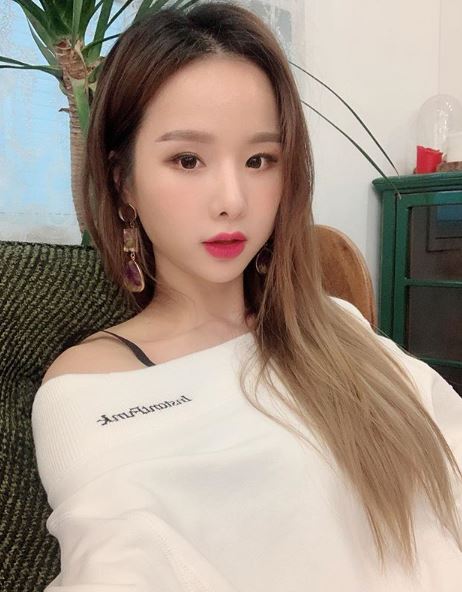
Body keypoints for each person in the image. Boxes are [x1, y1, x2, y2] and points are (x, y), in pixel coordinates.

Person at [32, 2, 462, 591]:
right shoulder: (89, 383)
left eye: (260, 160)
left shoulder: (336, 325)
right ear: (122, 179)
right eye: (188, 160)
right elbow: (116, 553)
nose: (232, 199)